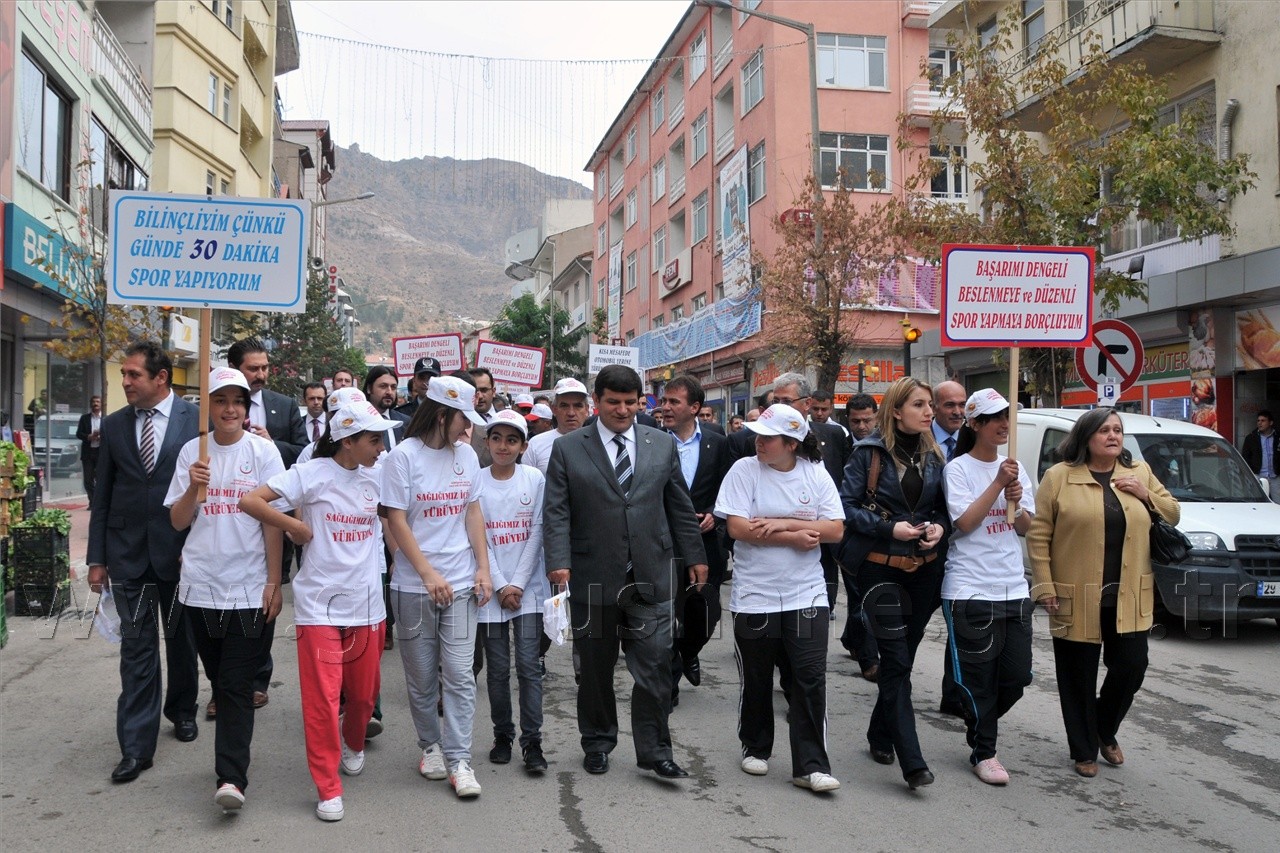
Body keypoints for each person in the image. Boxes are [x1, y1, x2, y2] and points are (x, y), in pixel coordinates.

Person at [543, 364, 707, 779]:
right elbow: (557, 512)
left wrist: (696, 556)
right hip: (592, 574)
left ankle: (655, 751)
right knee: (596, 669)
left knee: (654, 667)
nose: (621, 410)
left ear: (641, 403)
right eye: (612, 402)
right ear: (596, 403)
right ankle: (597, 742)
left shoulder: (661, 445)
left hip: (650, 574)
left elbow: (679, 508)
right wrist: (558, 563)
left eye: (629, 403)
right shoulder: (569, 448)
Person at [240, 400, 397, 822]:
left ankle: (355, 741)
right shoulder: (309, 474)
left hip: (367, 604)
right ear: (348, 440)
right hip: (319, 608)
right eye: (373, 439)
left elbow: (398, 518)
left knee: (363, 697)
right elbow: (251, 501)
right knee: (323, 700)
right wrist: (294, 526)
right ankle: (328, 786)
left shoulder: (379, 476)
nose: (381, 446)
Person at [1027, 407, 1179, 779]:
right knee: (1077, 674)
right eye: (1104, 430)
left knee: (1132, 666)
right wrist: (1044, 584)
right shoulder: (1059, 477)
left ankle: (1102, 727)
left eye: (1118, 430)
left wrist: (1146, 495)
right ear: (1086, 437)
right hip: (1074, 592)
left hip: (1129, 593)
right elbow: (1039, 534)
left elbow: (1172, 514)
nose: (1113, 436)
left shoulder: (1138, 473)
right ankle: (1083, 749)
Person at [165, 367, 284, 812]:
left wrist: (274, 582)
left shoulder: (264, 453)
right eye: (220, 400)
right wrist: (194, 489)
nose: (230, 408)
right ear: (208, 407)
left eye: (238, 400)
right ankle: (232, 755)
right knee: (218, 677)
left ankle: (231, 778)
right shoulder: (191, 454)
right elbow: (178, 522)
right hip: (199, 587)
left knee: (234, 684)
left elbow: (273, 522)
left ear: (246, 407)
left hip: (250, 587)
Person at [714, 404, 845, 792]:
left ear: (791, 443)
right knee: (757, 676)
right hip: (756, 594)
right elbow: (737, 527)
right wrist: (793, 537)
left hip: (807, 593)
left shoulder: (815, 474)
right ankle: (755, 746)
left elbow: (835, 529)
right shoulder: (744, 471)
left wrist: (784, 522)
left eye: (767, 438)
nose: (759, 443)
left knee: (809, 677)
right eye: (758, 435)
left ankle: (811, 765)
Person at [87, 341, 200, 784]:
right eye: (124, 375)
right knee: (137, 650)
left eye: (134, 375)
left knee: (181, 640)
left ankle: (182, 709)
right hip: (127, 553)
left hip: (179, 551)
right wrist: (97, 559)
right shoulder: (115, 426)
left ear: (161, 378)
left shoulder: (197, 420)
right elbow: (102, 496)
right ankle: (136, 746)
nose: (125, 381)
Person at [380, 375, 493, 799]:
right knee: (422, 677)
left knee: (461, 674)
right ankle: (430, 745)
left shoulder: (467, 456)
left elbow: (473, 513)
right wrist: (426, 574)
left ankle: (460, 758)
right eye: (464, 419)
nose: (469, 429)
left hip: (462, 585)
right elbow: (396, 519)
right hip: (414, 589)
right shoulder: (402, 458)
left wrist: (483, 568)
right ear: (443, 414)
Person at [839, 376, 948, 790]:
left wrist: (937, 528)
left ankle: (880, 734)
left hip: (924, 569)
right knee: (897, 659)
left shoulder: (933, 454)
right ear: (897, 410)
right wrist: (891, 528)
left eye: (930, 405)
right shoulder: (868, 454)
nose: (929, 412)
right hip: (879, 568)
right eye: (920, 404)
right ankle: (913, 761)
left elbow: (940, 510)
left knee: (902, 658)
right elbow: (845, 508)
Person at [941, 389, 1035, 787]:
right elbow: (964, 523)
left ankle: (973, 710)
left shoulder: (1015, 468)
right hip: (969, 587)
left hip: (1013, 586)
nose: (1003, 424)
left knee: (1017, 675)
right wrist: (998, 485)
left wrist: (1018, 504)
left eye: (1006, 417)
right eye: (994, 417)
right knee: (980, 676)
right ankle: (984, 750)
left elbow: (1026, 527)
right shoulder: (958, 469)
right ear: (974, 423)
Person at [227, 337, 308, 706]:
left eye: (264, 368)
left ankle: (258, 679)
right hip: (227, 519)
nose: (260, 375)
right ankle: (225, 681)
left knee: (268, 591)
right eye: (252, 368)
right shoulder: (219, 408)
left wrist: (272, 443)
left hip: (272, 515)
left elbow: (302, 453)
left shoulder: (283, 405)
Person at [476, 410, 549, 773]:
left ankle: (532, 742)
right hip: (490, 589)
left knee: (529, 667)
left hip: (529, 590)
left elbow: (537, 531)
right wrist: (502, 584)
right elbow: (480, 539)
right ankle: (502, 733)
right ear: (487, 442)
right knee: (498, 668)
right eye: (497, 438)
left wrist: (517, 584)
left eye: (512, 440)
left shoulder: (534, 478)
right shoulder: (475, 481)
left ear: (522, 446)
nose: (503, 446)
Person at [659, 376, 731, 706]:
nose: (666, 407)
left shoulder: (717, 442)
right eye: (665, 401)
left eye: (674, 402)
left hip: (706, 545)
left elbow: (730, 488)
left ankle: (688, 652)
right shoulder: (652, 441)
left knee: (706, 613)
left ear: (695, 408)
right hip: (665, 543)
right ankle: (669, 681)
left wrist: (717, 513)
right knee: (669, 612)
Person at [930, 379, 971, 721]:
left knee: (958, 623)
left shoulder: (972, 440)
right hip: (923, 545)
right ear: (934, 407)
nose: (958, 411)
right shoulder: (922, 440)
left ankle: (954, 692)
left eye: (962, 404)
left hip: (961, 545)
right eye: (949, 405)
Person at [839, 393, 880, 680]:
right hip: (847, 534)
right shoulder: (839, 446)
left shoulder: (882, 448)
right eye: (856, 421)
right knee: (858, 596)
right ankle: (869, 660)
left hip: (880, 533)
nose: (862, 426)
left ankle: (852, 638)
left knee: (867, 597)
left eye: (867, 420)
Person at [523, 377, 591, 474]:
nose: (571, 413)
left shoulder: (600, 444)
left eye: (578, 406)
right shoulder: (535, 444)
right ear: (554, 409)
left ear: (587, 410)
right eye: (564, 406)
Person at [1240, 410, 1280, 501]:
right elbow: (1245, 457)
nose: (1260, 423)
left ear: (1270, 422)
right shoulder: (1251, 438)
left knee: (1278, 503)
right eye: (1258, 421)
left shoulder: (1278, 437)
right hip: (1259, 476)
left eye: (1263, 420)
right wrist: (1252, 473)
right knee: (1258, 502)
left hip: (1275, 476)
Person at [77, 395, 103, 507]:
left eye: (97, 402)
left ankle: (100, 502)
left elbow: (112, 435)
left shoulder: (106, 419)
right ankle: (92, 502)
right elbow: (78, 434)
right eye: (93, 402)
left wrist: (102, 437)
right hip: (88, 452)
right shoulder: (85, 418)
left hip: (101, 452)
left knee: (101, 478)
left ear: (101, 404)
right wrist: (89, 436)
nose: (95, 404)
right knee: (88, 480)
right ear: (90, 404)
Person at [468, 367, 497, 466]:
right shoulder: (457, 421)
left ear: (493, 392)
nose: (479, 396)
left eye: (484, 390)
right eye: (475, 391)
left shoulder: (506, 421)